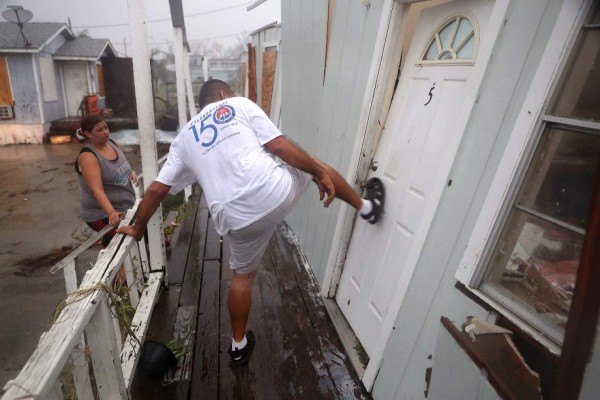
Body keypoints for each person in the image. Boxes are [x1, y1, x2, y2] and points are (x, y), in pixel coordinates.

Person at [117, 79, 385, 365]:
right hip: (272, 192)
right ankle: (366, 207)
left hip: (234, 218)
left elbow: (157, 190)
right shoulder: (239, 104)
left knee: (242, 278)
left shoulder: (183, 138)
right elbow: (279, 146)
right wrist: (318, 172)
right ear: (223, 95)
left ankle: (238, 345)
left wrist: (137, 227)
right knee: (315, 166)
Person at [75, 115, 139, 248]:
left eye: (106, 127)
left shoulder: (111, 144)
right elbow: (97, 189)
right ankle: (108, 246)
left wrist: (131, 172)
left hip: (125, 207)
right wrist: (111, 213)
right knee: (130, 246)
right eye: (99, 130)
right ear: (88, 134)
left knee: (158, 240)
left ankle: (107, 242)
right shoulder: (88, 156)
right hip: (101, 214)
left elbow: (123, 165)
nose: (105, 131)